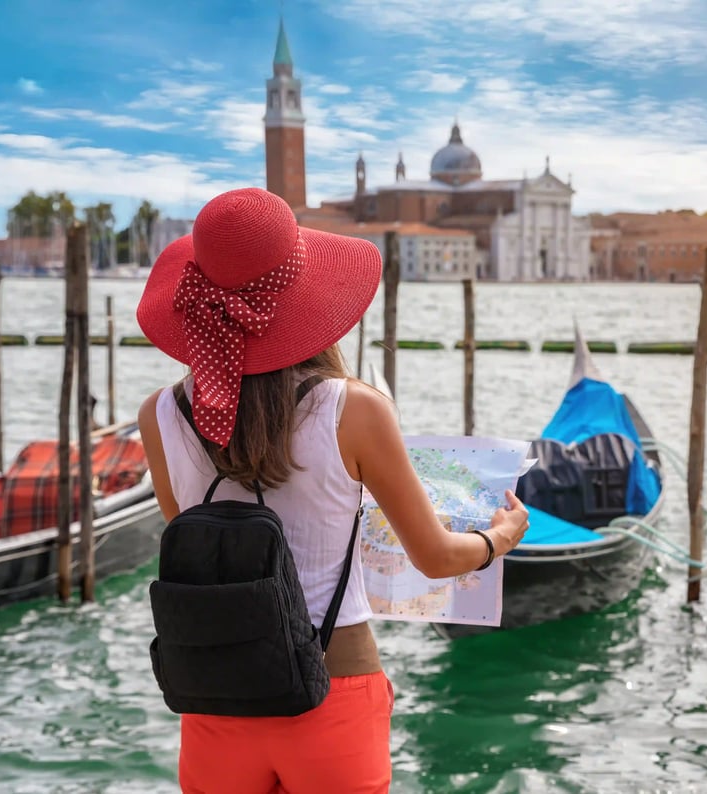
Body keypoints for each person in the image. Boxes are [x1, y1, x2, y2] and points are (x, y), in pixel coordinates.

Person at [134, 187, 529, 793]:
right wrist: (499, 536)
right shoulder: (355, 409)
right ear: (310, 299)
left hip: (215, 700)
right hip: (334, 694)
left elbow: (195, 545)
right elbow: (436, 557)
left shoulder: (159, 414)